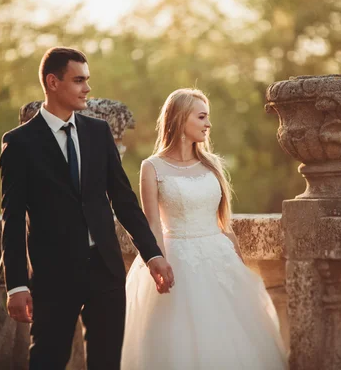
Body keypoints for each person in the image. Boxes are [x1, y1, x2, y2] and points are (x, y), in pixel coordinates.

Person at [0, 46, 174, 370]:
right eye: (78, 80)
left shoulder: (98, 132)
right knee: (48, 359)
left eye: (87, 80)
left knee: (107, 363)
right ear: (52, 82)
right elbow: (13, 218)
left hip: (105, 269)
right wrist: (16, 284)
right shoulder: (20, 143)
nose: (87, 88)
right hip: (53, 275)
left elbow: (123, 200)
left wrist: (153, 254)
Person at [121, 88, 288, 369]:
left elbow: (224, 221)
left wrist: (237, 260)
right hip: (178, 261)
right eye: (201, 117)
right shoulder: (152, 167)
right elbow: (152, 224)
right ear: (180, 118)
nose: (208, 124)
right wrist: (157, 263)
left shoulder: (211, 165)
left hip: (219, 261)